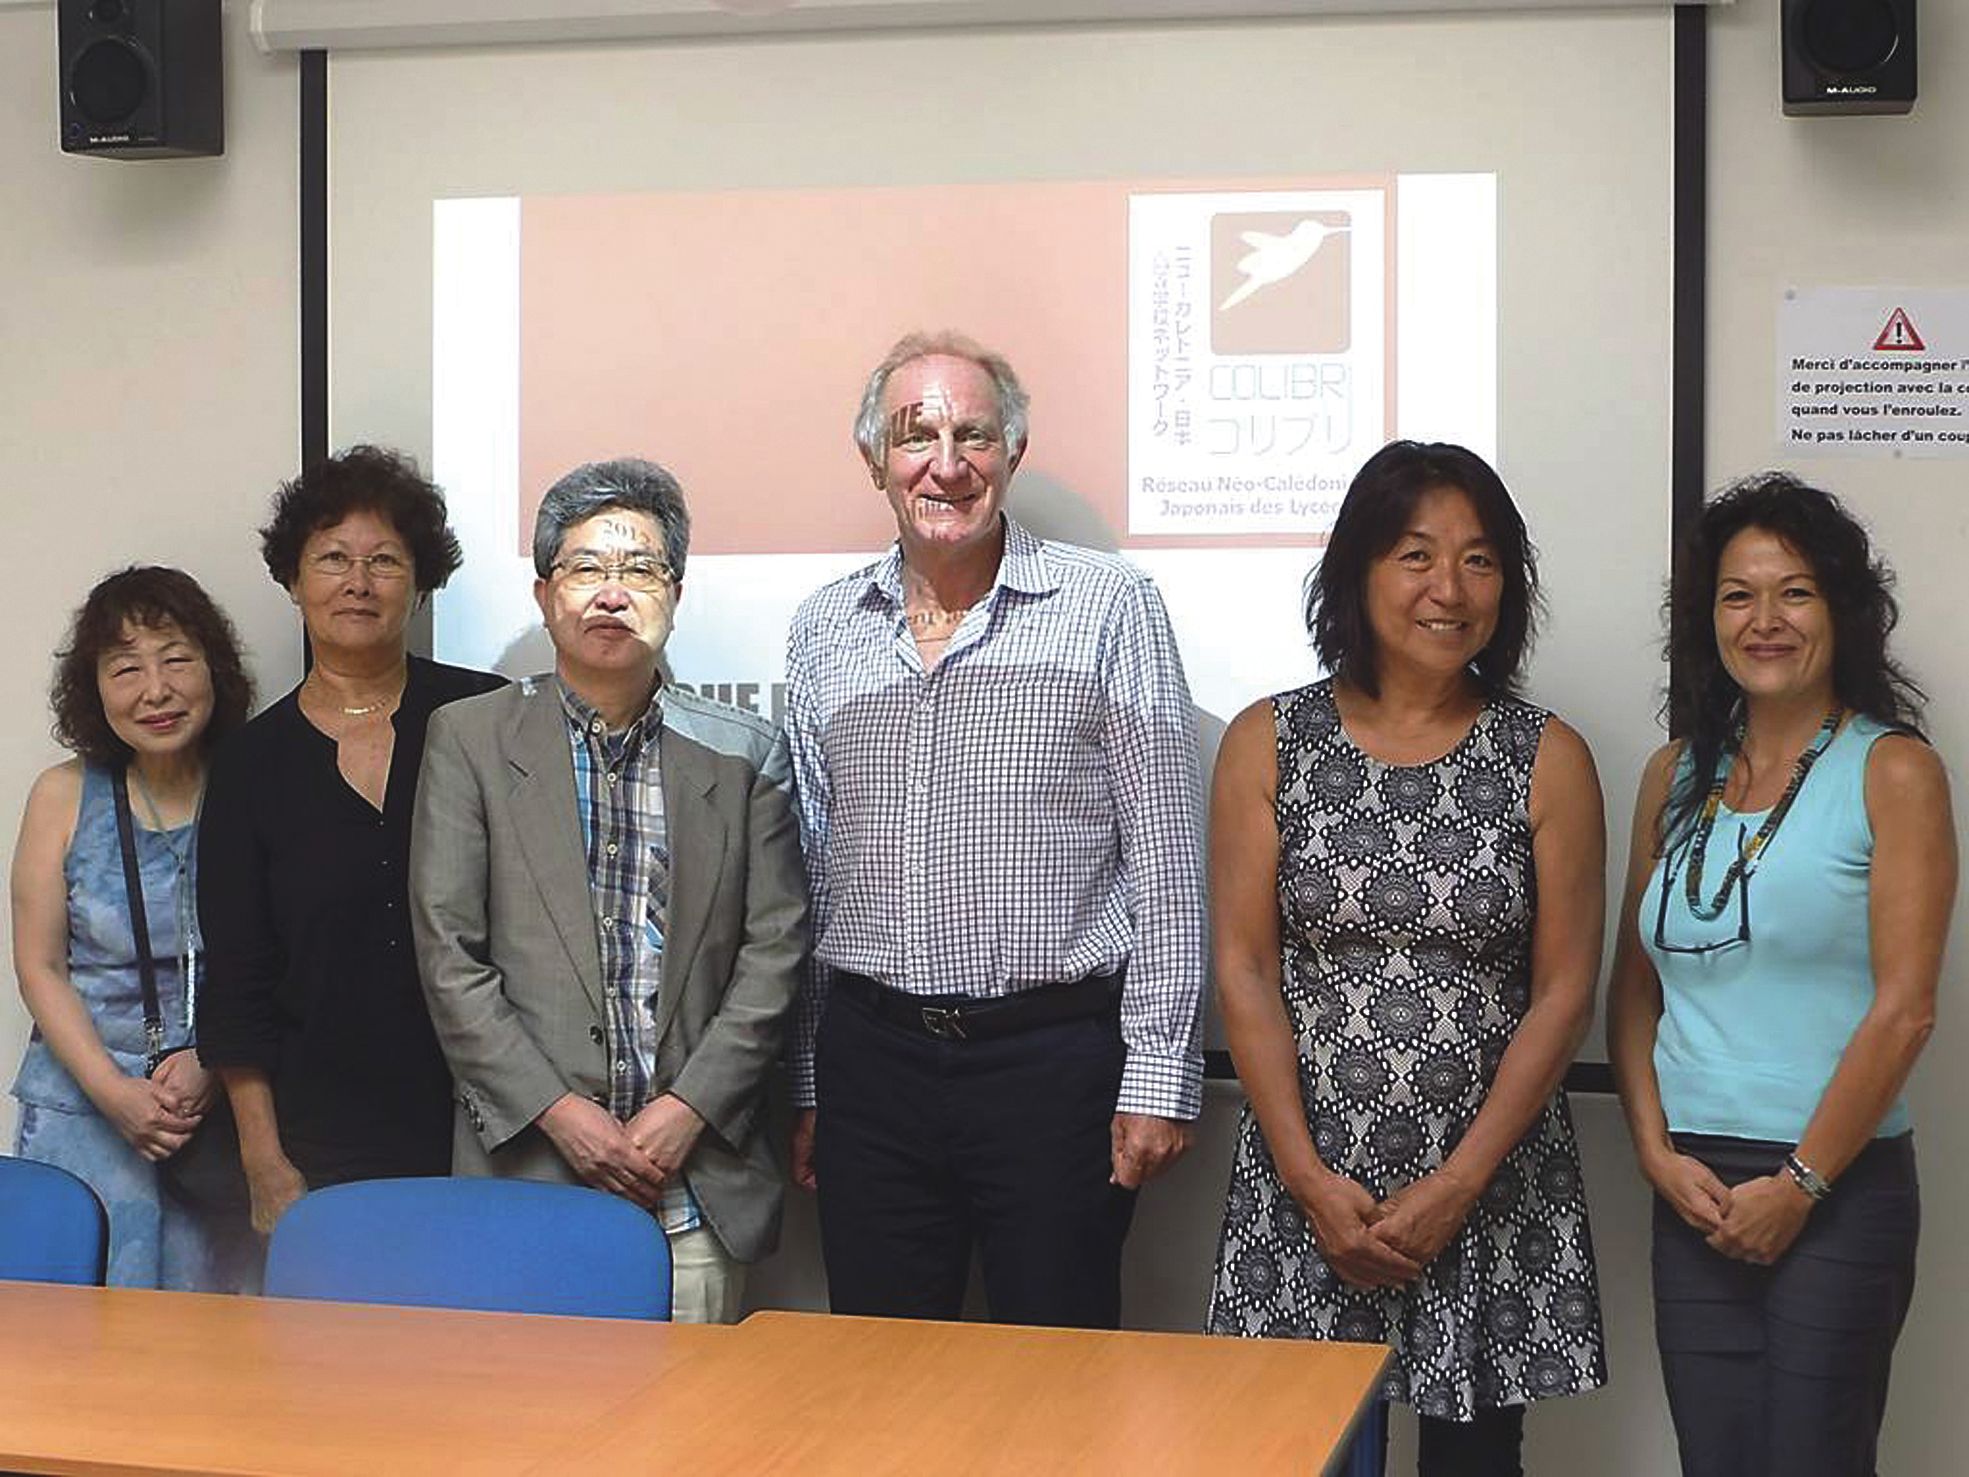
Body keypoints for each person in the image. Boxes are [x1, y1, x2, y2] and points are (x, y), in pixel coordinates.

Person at [784, 330, 1205, 1329]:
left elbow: (1168, 862)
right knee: (881, 1389)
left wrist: (1158, 1070)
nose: (945, 462)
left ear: (1012, 451)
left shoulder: (1109, 606)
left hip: (1052, 1067)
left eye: (971, 433)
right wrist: (807, 1077)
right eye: (913, 434)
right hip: (870, 1067)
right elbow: (809, 872)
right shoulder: (821, 629)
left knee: (1055, 1388)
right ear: (874, 462)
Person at [1206, 440, 1608, 1473]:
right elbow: (1245, 969)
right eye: (1415, 555)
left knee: (1475, 1461)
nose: (1449, 588)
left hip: (1485, 1185)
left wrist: (1457, 1182)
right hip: (1311, 1186)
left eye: (1479, 560)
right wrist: (1305, 1176)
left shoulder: (1546, 756)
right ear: (1357, 571)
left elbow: (1565, 990)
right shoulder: (1267, 740)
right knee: (1303, 1452)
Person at [1608, 473, 1952, 1477]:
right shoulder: (1671, 776)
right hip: (1691, 1188)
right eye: (1736, 594)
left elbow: (1906, 1011)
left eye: (1793, 592)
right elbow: (1633, 989)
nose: (1763, 620)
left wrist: (1798, 1185)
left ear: (1840, 610)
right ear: (1706, 615)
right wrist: (1652, 1150)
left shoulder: (1893, 770)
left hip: (1833, 1187)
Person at [410, 458, 807, 1324]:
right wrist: (560, 1113)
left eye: (640, 569)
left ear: (677, 590)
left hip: (691, 1184)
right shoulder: (471, 740)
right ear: (546, 589)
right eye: (587, 567)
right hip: (527, 1174)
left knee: (691, 1449)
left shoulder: (747, 753)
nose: (611, 592)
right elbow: (450, 955)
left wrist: (686, 1108)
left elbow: (774, 956)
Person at [196, 446, 503, 1235]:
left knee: (492, 1352)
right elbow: (237, 979)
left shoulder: (488, 718)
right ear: (294, 581)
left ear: (422, 582)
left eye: (385, 561)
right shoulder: (248, 762)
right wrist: (264, 1160)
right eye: (332, 558)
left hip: (489, 1122)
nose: (358, 582)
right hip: (317, 1136)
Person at [10, 567, 258, 1290]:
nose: (156, 689)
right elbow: (39, 966)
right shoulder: (63, 794)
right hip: (82, 1108)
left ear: (214, 667)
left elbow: (279, 956)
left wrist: (212, 1060)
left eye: (177, 658)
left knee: (214, 1351)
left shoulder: (254, 785)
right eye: (126, 668)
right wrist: (114, 1091)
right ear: (95, 688)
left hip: (216, 1105)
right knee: (74, 1345)